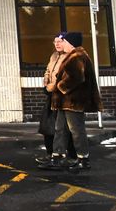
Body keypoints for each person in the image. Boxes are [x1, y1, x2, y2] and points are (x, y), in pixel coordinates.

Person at [45, 31, 101, 173]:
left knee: (76, 130)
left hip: (73, 101)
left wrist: (59, 86)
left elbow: (76, 77)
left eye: (64, 41)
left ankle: (83, 159)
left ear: (70, 43)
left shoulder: (77, 56)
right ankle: (57, 156)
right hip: (66, 102)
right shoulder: (73, 56)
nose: (61, 43)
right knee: (60, 128)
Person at [35, 33, 76, 168]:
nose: (57, 44)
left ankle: (71, 155)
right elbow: (48, 70)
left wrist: (52, 87)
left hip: (63, 95)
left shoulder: (69, 56)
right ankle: (51, 154)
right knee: (47, 124)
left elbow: (66, 77)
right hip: (52, 94)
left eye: (60, 41)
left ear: (66, 42)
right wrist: (46, 80)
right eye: (55, 42)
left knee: (64, 126)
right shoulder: (54, 56)